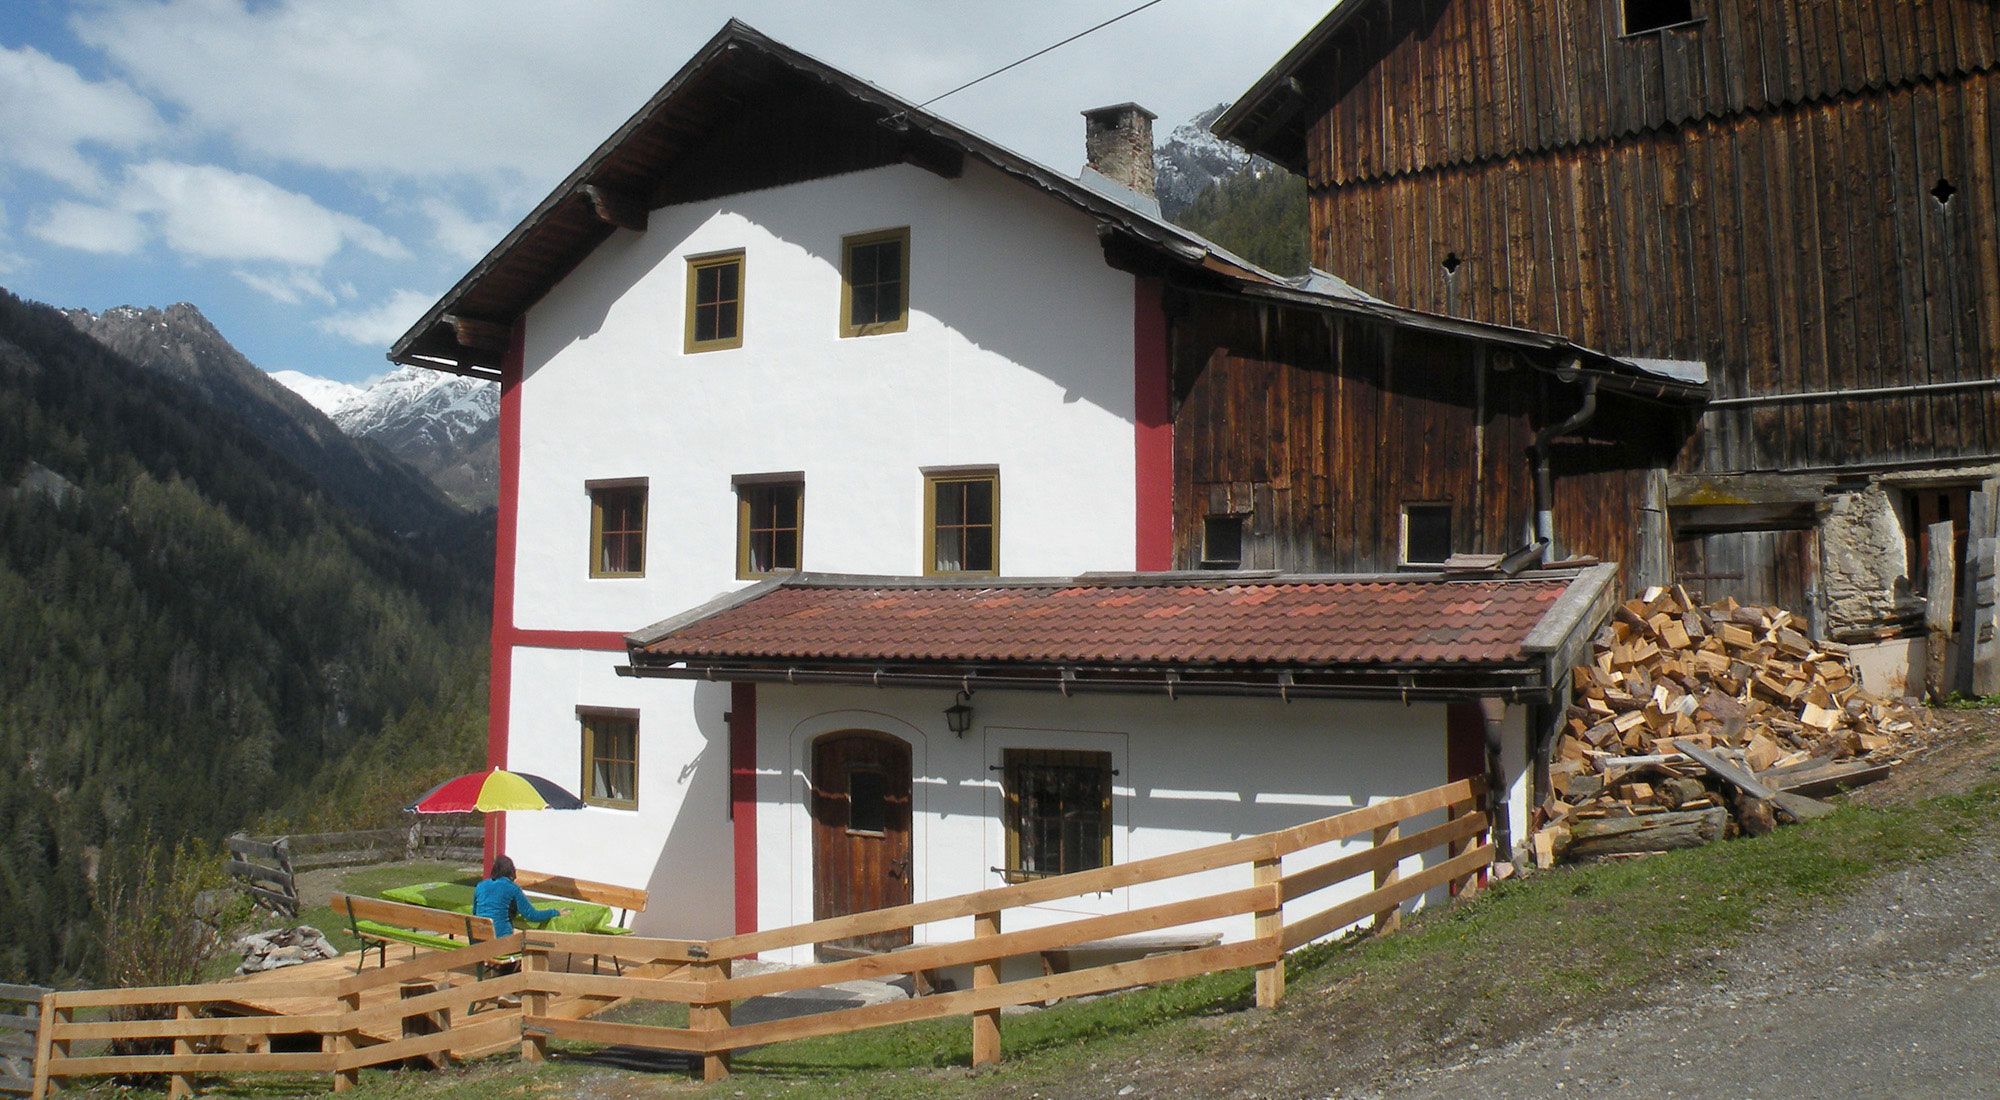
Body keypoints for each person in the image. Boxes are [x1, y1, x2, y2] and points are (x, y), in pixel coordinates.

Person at [474, 855, 567, 938]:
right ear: (511, 872)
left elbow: (475, 912)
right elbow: (531, 915)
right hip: (501, 939)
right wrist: (555, 912)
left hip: (479, 936)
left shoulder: (480, 886)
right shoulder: (512, 888)